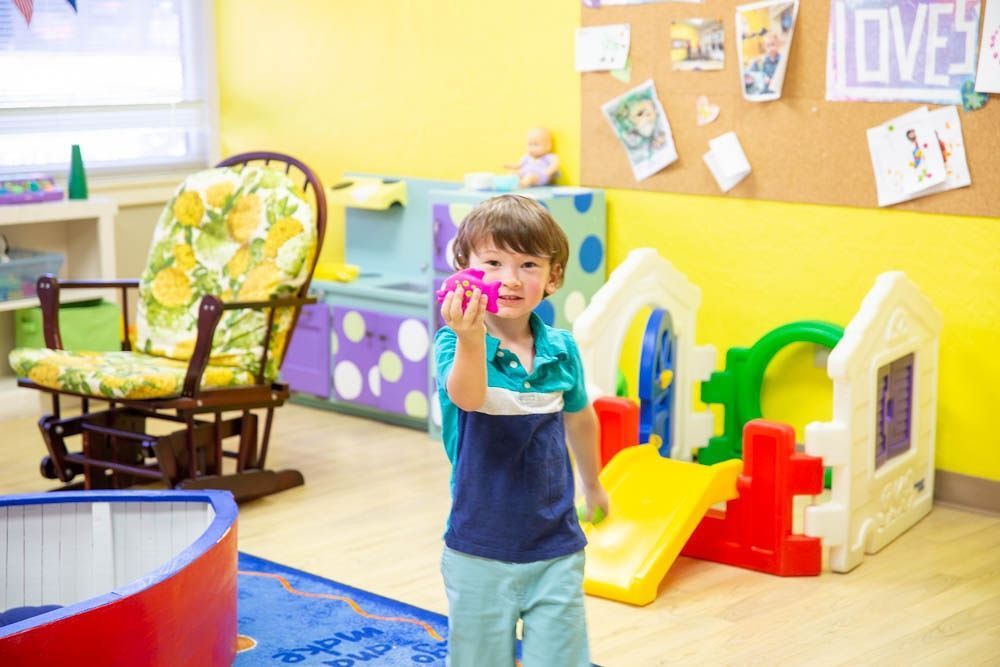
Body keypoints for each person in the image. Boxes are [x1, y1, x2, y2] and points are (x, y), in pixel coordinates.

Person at [434, 194, 608, 667]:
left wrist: (593, 485)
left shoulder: (561, 348)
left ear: (552, 277)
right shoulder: (454, 342)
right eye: (492, 262)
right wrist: (472, 338)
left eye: (528, 264)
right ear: (465, 271)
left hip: (556, 546)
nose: (510, 279)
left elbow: (580, 418)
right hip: (479, 550)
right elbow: (467, 397)